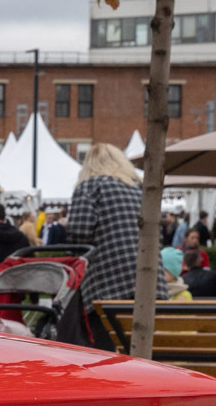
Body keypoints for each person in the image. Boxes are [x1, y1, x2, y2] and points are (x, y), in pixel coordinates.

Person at [66, 142, 171, 348]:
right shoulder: (141, 188)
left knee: (106, 350)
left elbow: (79, 233)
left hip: (108, 285)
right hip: (150, 282)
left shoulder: (90, 186)